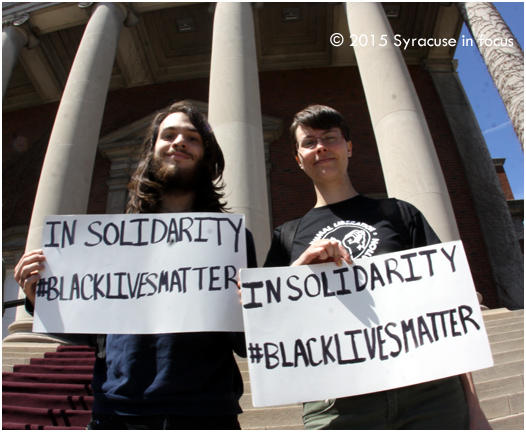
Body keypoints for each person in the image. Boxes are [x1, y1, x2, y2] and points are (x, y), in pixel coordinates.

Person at [14, 101, 257, 430]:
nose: (179, 142)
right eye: (168, 135)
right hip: (117, 411)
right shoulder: (108, 242)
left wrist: (254, 309)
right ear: (152, 151)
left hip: (206, 411)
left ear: (207, 156)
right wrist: (38, 299)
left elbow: (244, 343)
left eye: (192, 137)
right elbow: (92, 334)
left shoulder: (234, 241)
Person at [264, 104, 491, 430]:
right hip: (338, 404)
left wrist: (473, 405)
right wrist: (296, 274)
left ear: (349, 147)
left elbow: (446, 312)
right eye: (309, 142)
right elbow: (269, 327)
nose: (321, 147)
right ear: (298, 159)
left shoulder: (400, 214)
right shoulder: (286, 237)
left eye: (330, 137)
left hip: (430, 394)